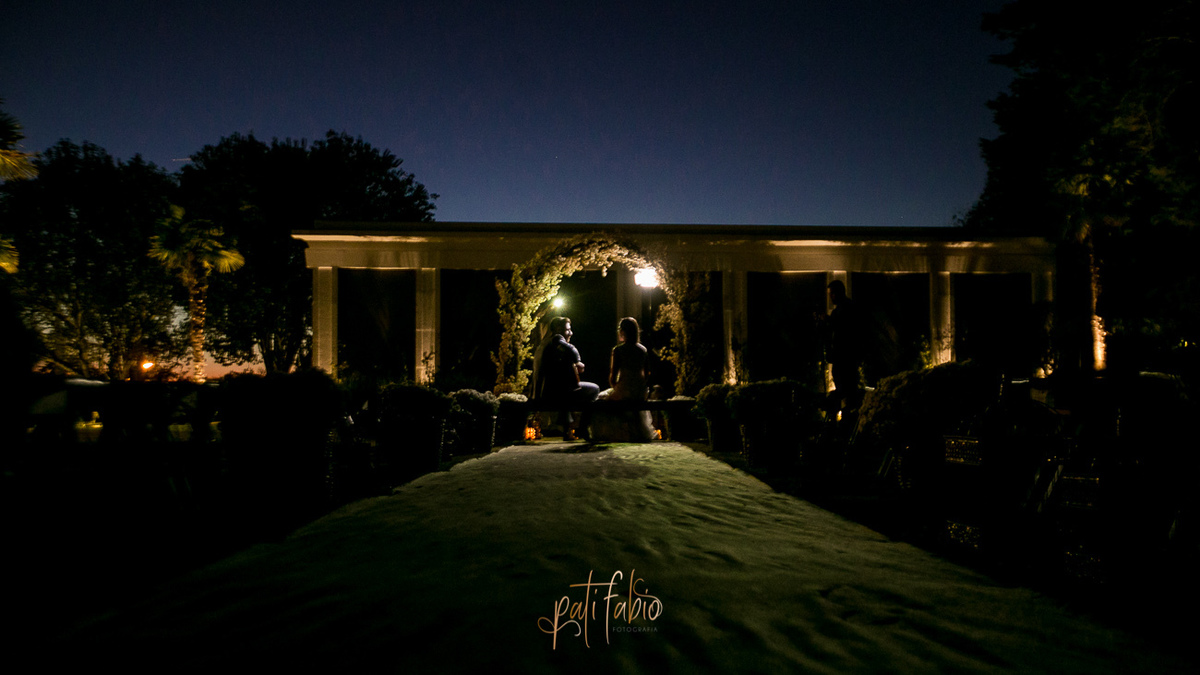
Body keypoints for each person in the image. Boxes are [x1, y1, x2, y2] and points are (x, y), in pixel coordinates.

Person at [590, 317, 657, 442]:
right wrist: (641, 385)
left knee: (600, 400)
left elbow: (613, 376)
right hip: (639, 390)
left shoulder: (618, 350)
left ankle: (608, 434)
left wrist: (616, 387)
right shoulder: (642, 350)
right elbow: (647, 373)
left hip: (625, 389)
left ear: (622, 331)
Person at [535, 316, 599, 440]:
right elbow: (571, 349)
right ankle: (582, 427)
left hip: (545, 392)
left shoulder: (545, 344)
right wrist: (578, 361)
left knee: (566, 389)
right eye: (568, 330)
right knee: (594, 389)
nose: (571, 333)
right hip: (552, 394)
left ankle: (567, 427)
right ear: (558, 329)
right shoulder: (556, 339)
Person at [825, 280, 864, 409]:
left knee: (846, 389)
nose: (831, 298)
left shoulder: (846, 310)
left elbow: (844, 330)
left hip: (845, 358)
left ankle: (847, 412)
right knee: (845, 389)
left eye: (832, 294)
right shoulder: (845, 309)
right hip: (844, 357)